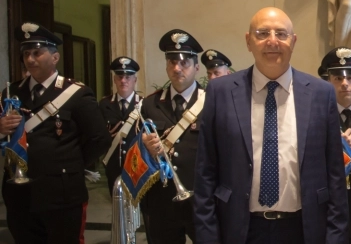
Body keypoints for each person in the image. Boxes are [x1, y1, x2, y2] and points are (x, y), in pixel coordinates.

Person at [194, 7, 349, 244]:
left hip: (303, 229)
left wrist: (335, 237)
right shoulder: (221, 92)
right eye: (262, 33)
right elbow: (205, 173)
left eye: (281, 34)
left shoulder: (321, 93)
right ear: (248, 41)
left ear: (293, 41)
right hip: (239, 229)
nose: (272, 41)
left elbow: (335, 176)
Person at [0, 22, 111, 243]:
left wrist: (71, 164)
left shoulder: (76, 94)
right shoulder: (12, 92)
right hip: (19, 195)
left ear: (55, 57)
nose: (30, 59)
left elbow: (99, 139)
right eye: (27, 53)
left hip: (62, 194)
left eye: (37, 53)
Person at [141, 29, 205, 243]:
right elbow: (135, 155)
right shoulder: (150, 104)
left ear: (196, 67)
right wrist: (145, 150)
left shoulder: (213, 102)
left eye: (184, 63)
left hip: (201, 200)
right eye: (171, 62)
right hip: (162, 202)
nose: (177, 68)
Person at [319, 47, 351, 243]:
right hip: (329, 207)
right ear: (328, 82)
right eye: (337, 79)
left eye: (350, 78)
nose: (345, 84)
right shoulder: (318, 118)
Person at [99, 56, 143, 196]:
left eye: (128, 77)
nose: (123, 80)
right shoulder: (105, 104)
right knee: (116, 204)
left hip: (136, 163)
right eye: (119, 77)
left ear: (135, 80)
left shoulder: (144, 104)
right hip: (113, 163)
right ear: (114, 80)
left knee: (137, 204)